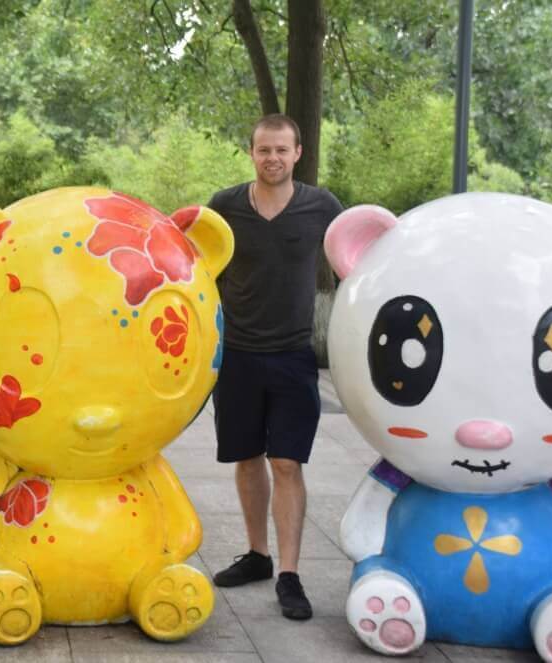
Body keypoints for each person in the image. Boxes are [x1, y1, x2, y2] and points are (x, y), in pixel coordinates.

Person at [207, 114, 343, 621]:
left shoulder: (321, 206)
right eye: (264, 150)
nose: (273, 159)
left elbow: (356, 258)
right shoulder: (224, 207)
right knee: (247, 458)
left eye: (282, 150)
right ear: (252, 153)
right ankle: (258, 556)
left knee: (286, 462)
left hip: (293, 356)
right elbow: (195, 260)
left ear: (298, 153)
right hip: (237, 354)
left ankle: (289, 573)